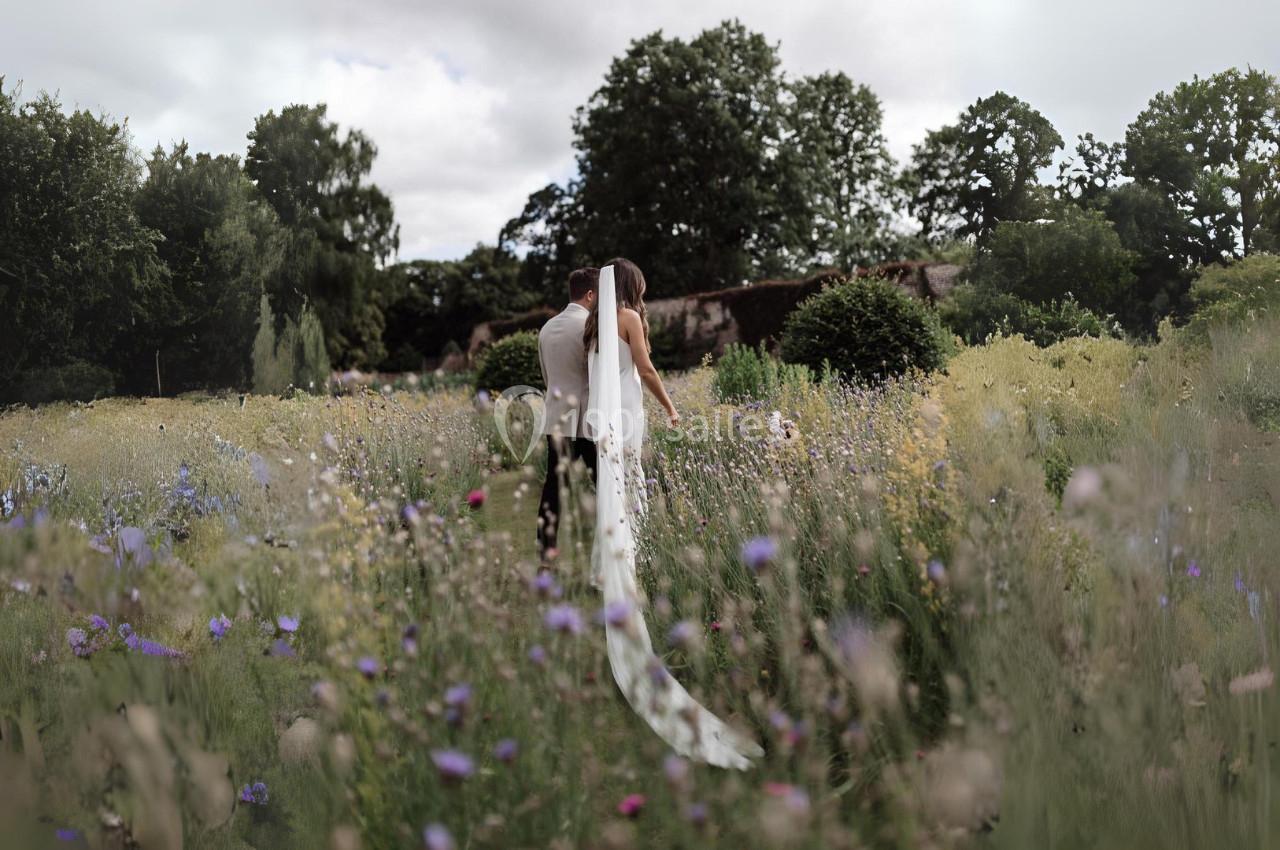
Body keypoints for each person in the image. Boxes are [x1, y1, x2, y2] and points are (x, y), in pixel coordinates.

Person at [585, 259, 762, 770]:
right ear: (632, 285)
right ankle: (625, 572)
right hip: (628, 417)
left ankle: (610, 569)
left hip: (603, 422)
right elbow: (644, 368)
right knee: (632, 492)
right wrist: (671, 408)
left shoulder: (595, 324)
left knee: (615, 495)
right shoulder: (628, 317)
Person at [536, 267, 599, 560]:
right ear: (590, 294)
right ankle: (614, 543)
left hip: (556, 417)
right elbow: (596, 375)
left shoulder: (547, 328)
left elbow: (547, 377)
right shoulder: (591, 325)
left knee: (553, 487)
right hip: (586, 419)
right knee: (604, 483)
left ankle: (546, 551)